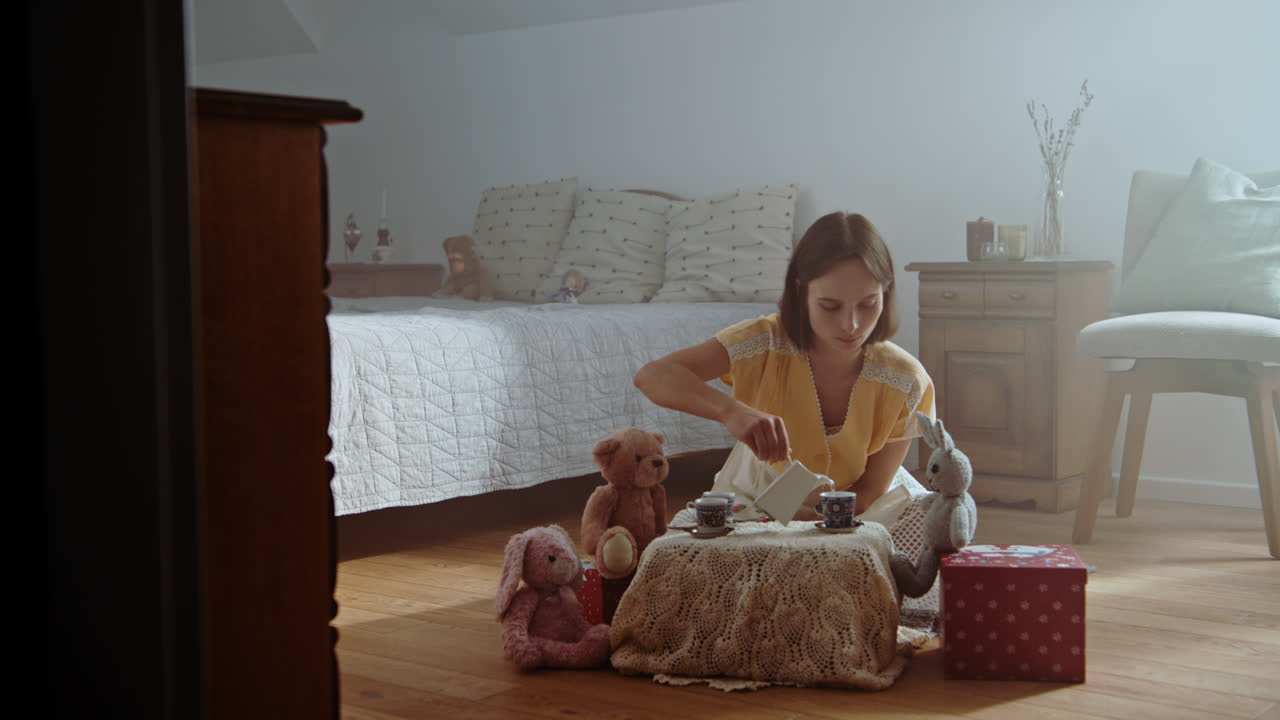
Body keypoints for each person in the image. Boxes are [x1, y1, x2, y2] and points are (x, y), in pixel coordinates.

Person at [633, 211, 935, 522]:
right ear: (800, 290)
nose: (851, 325)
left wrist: (811, 534)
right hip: (749, 500)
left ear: (886, 294)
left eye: (868, 304)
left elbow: (871, 492)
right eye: (830, 306)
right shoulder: (762, 343)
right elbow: (651, 376)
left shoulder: (905, 381)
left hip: (850, 513)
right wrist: (730, 411)